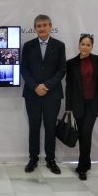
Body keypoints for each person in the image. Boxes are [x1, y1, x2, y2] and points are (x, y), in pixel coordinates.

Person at [21, 14, 66, 174]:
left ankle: (50, 159)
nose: (41, 28)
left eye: (44, 25)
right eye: (38, 26)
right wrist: (35, 87)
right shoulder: (28, 46)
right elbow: (24, 69)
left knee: (50, 128)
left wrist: (46, 86)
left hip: (52, 94)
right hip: (32, 95)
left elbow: (62, 70)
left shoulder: (60, 46)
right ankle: (33, 158)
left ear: (50, 26)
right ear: (35, 28)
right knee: (34, 127)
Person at [65, 34, 98, 180]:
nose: (85, 47)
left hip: (93, 105)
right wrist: (68, 107)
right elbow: (69, 86)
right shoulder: (71, 63)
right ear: (79, 45)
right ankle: (86, 163)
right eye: (83, 44)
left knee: (86, 133)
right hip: (78, 105)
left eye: (88, 44)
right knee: (82, 134)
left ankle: (82, 167)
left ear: (92, 46)